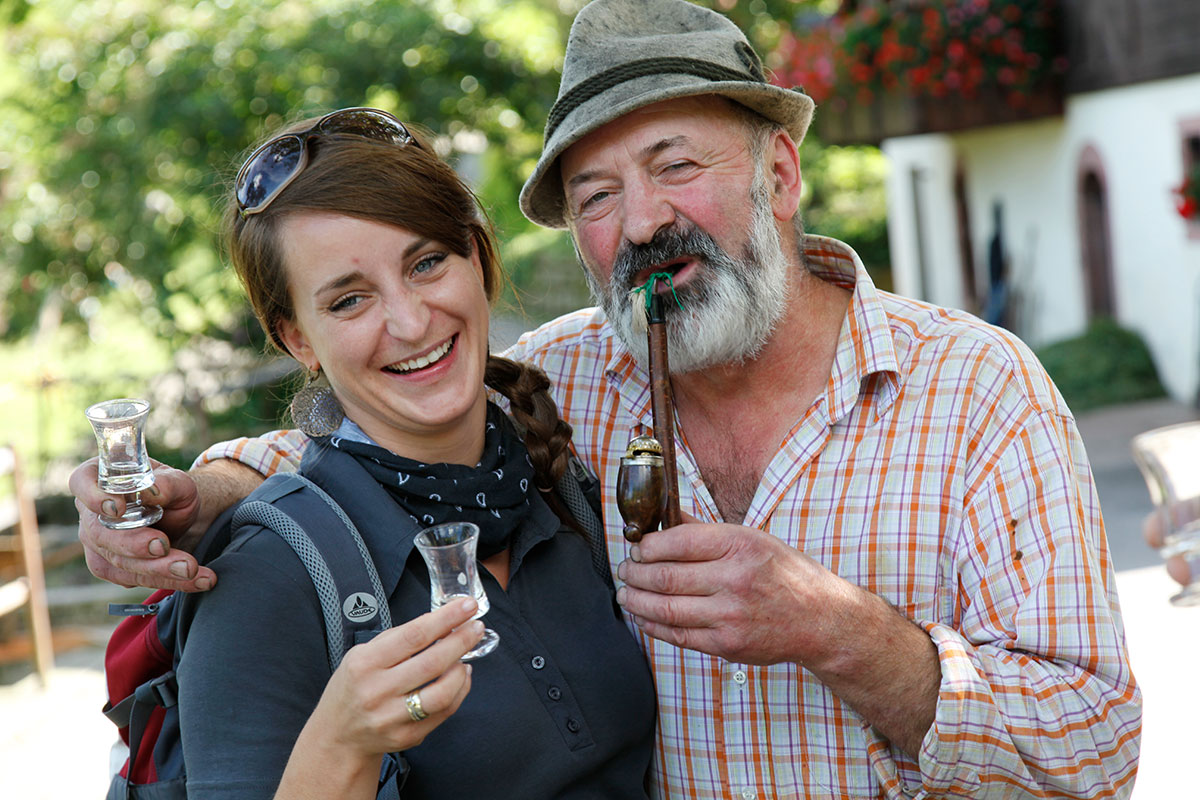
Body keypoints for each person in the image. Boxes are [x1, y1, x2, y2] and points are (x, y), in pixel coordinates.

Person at [73, 1, 1142, 797]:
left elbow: (1099, 746)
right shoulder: (574, 376)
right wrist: (199, 492)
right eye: (596, 195)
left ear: (778, 172)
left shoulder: (977, 391)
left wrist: (847, 632)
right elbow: (384, 424)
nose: (640, 225)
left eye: (675, 166)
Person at [79, 107, 656, 798]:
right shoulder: (267, 576)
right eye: (350, 300)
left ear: (478, 257)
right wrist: (343, 743)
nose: (411, 323)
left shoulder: (564, 481)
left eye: (428, 263)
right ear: (298, 340)